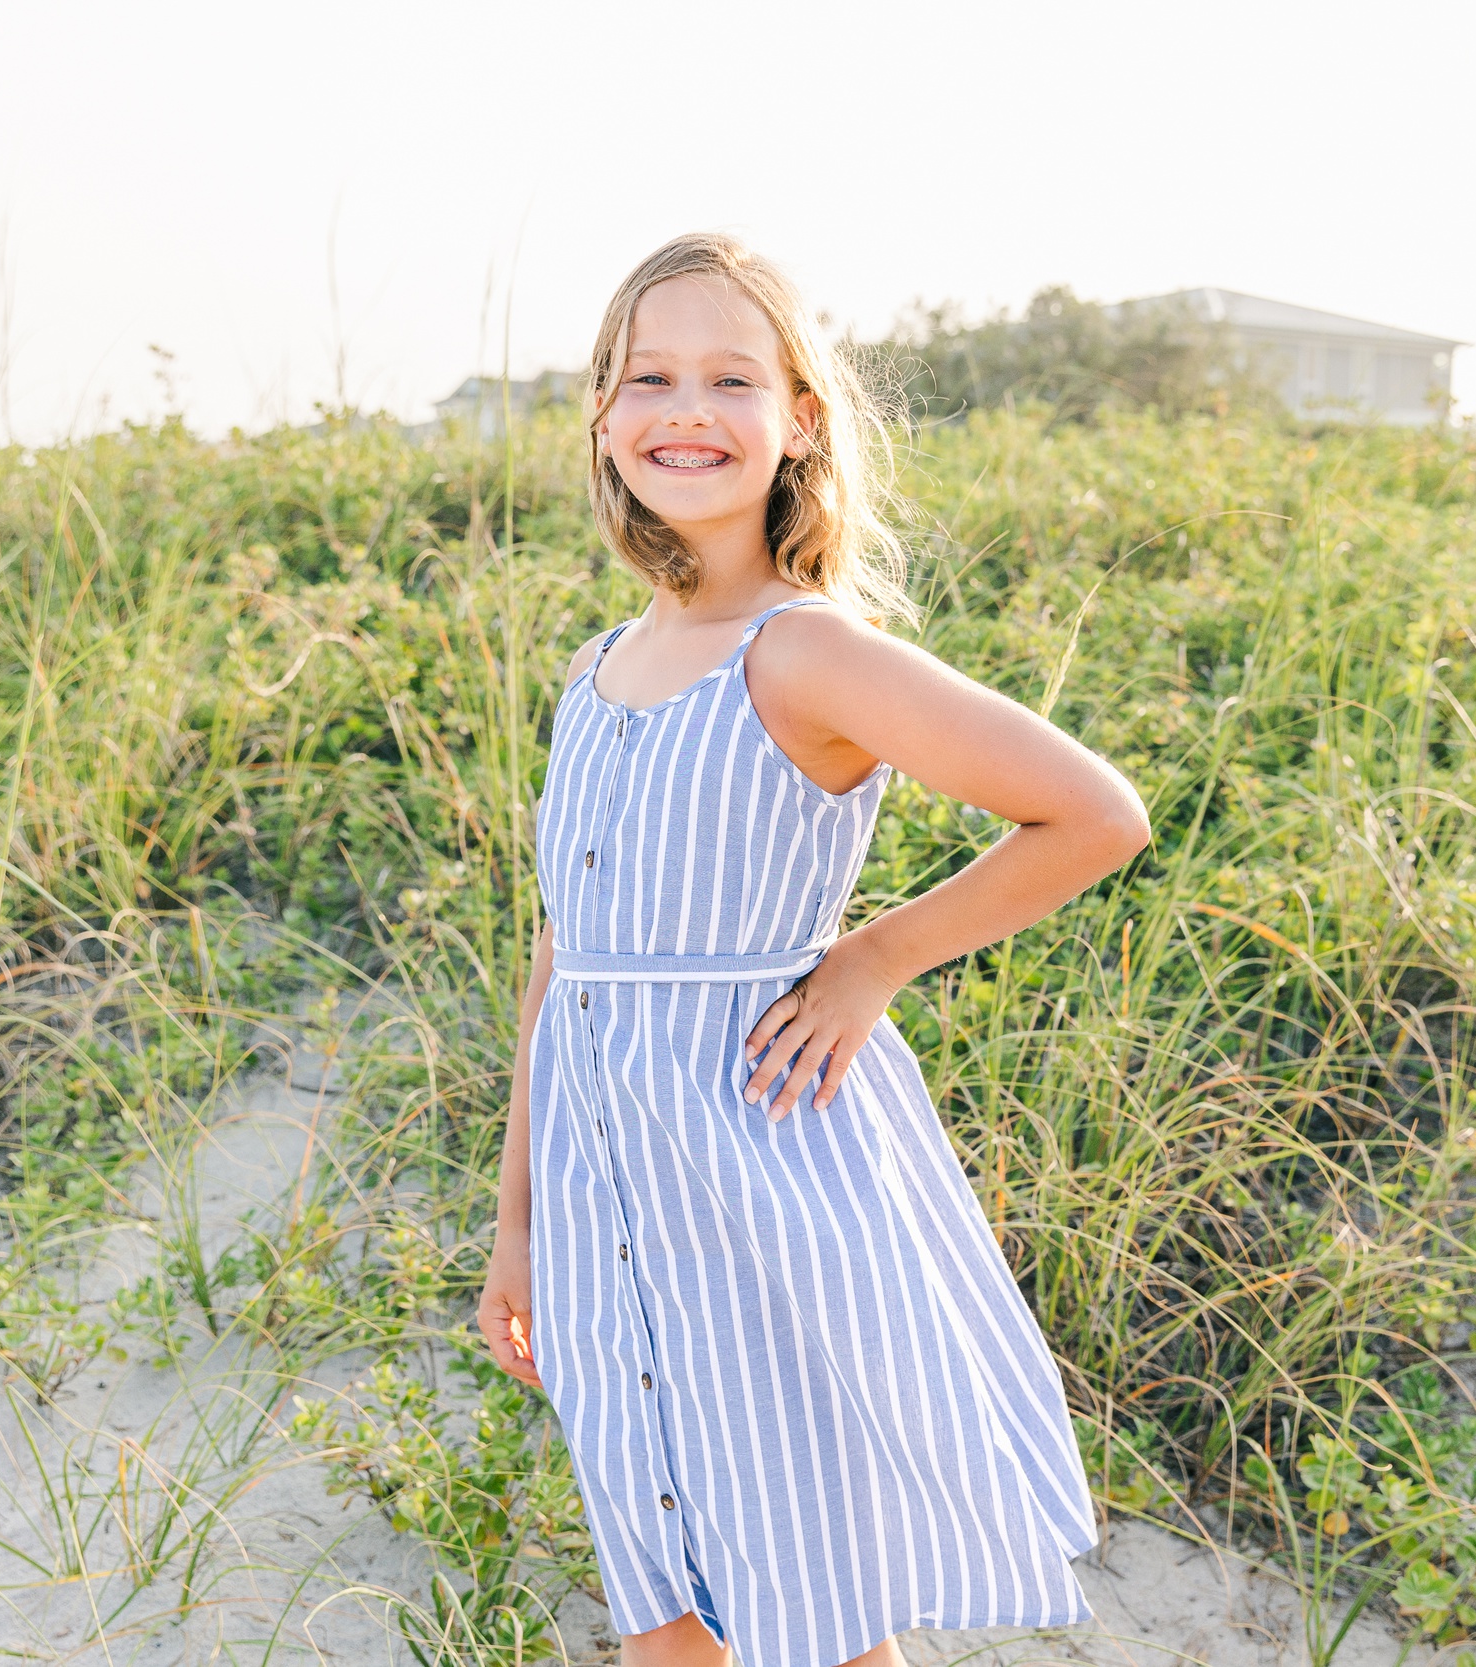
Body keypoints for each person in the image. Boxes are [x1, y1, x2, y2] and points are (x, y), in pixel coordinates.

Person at [475, 232, 1151, 1667]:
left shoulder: (806, 652)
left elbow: (1092, 814)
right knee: (658, 1590)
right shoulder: (596, 673)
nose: (687, 409)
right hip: (602, 1197)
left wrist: (872, 962)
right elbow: (563, 963)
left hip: (755, 1174)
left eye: (733, 378)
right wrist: (520, 1224)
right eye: (648, 376)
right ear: (602, 414)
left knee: (806, 1600)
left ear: (799, 422)